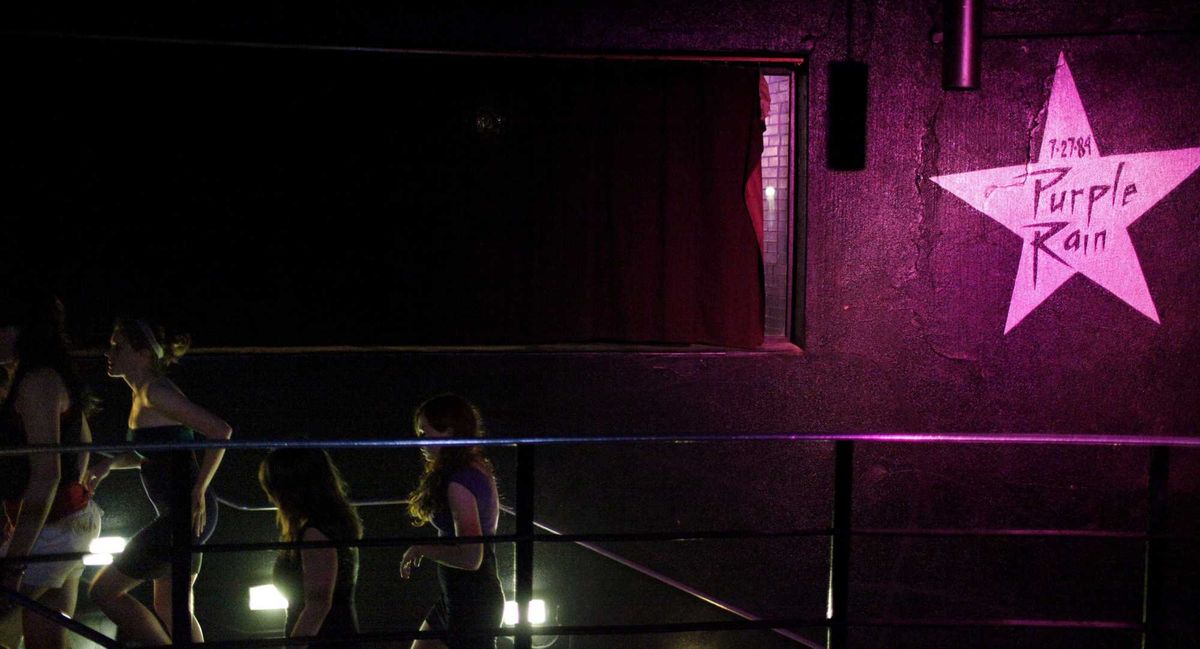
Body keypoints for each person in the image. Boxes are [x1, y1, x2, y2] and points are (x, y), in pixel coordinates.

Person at [85, 318, 231, 644]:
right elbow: (151, 452)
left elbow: (220, 431)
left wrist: (199, 489)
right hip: (181, 514)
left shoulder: (155, 392)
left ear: (143, 354)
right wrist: (109, 463)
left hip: (186, 514)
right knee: (171, 607)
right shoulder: (143, 394)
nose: (109, 353)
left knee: (103, 591)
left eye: (118, 347)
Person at [0, 289, 103, 649]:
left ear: (21, 331)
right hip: (68, 521)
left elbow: (47, 474)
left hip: (54, 528)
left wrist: (14, 564)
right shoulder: (43, 376)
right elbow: (84, 443)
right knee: (44, 636)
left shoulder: (36, 382)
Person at [400, 394, 504, 649]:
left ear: (448, 431)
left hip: (470, 602)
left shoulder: (459, 482)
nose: (420, 441)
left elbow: (471, 557)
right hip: (459, 597)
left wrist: (422, 549)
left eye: (425, 433)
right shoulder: (475, 466)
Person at [259, 448, 362, 649]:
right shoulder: (332, 525)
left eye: (273, 490)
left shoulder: (315, 533)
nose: (271, 498)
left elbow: (318, 606)